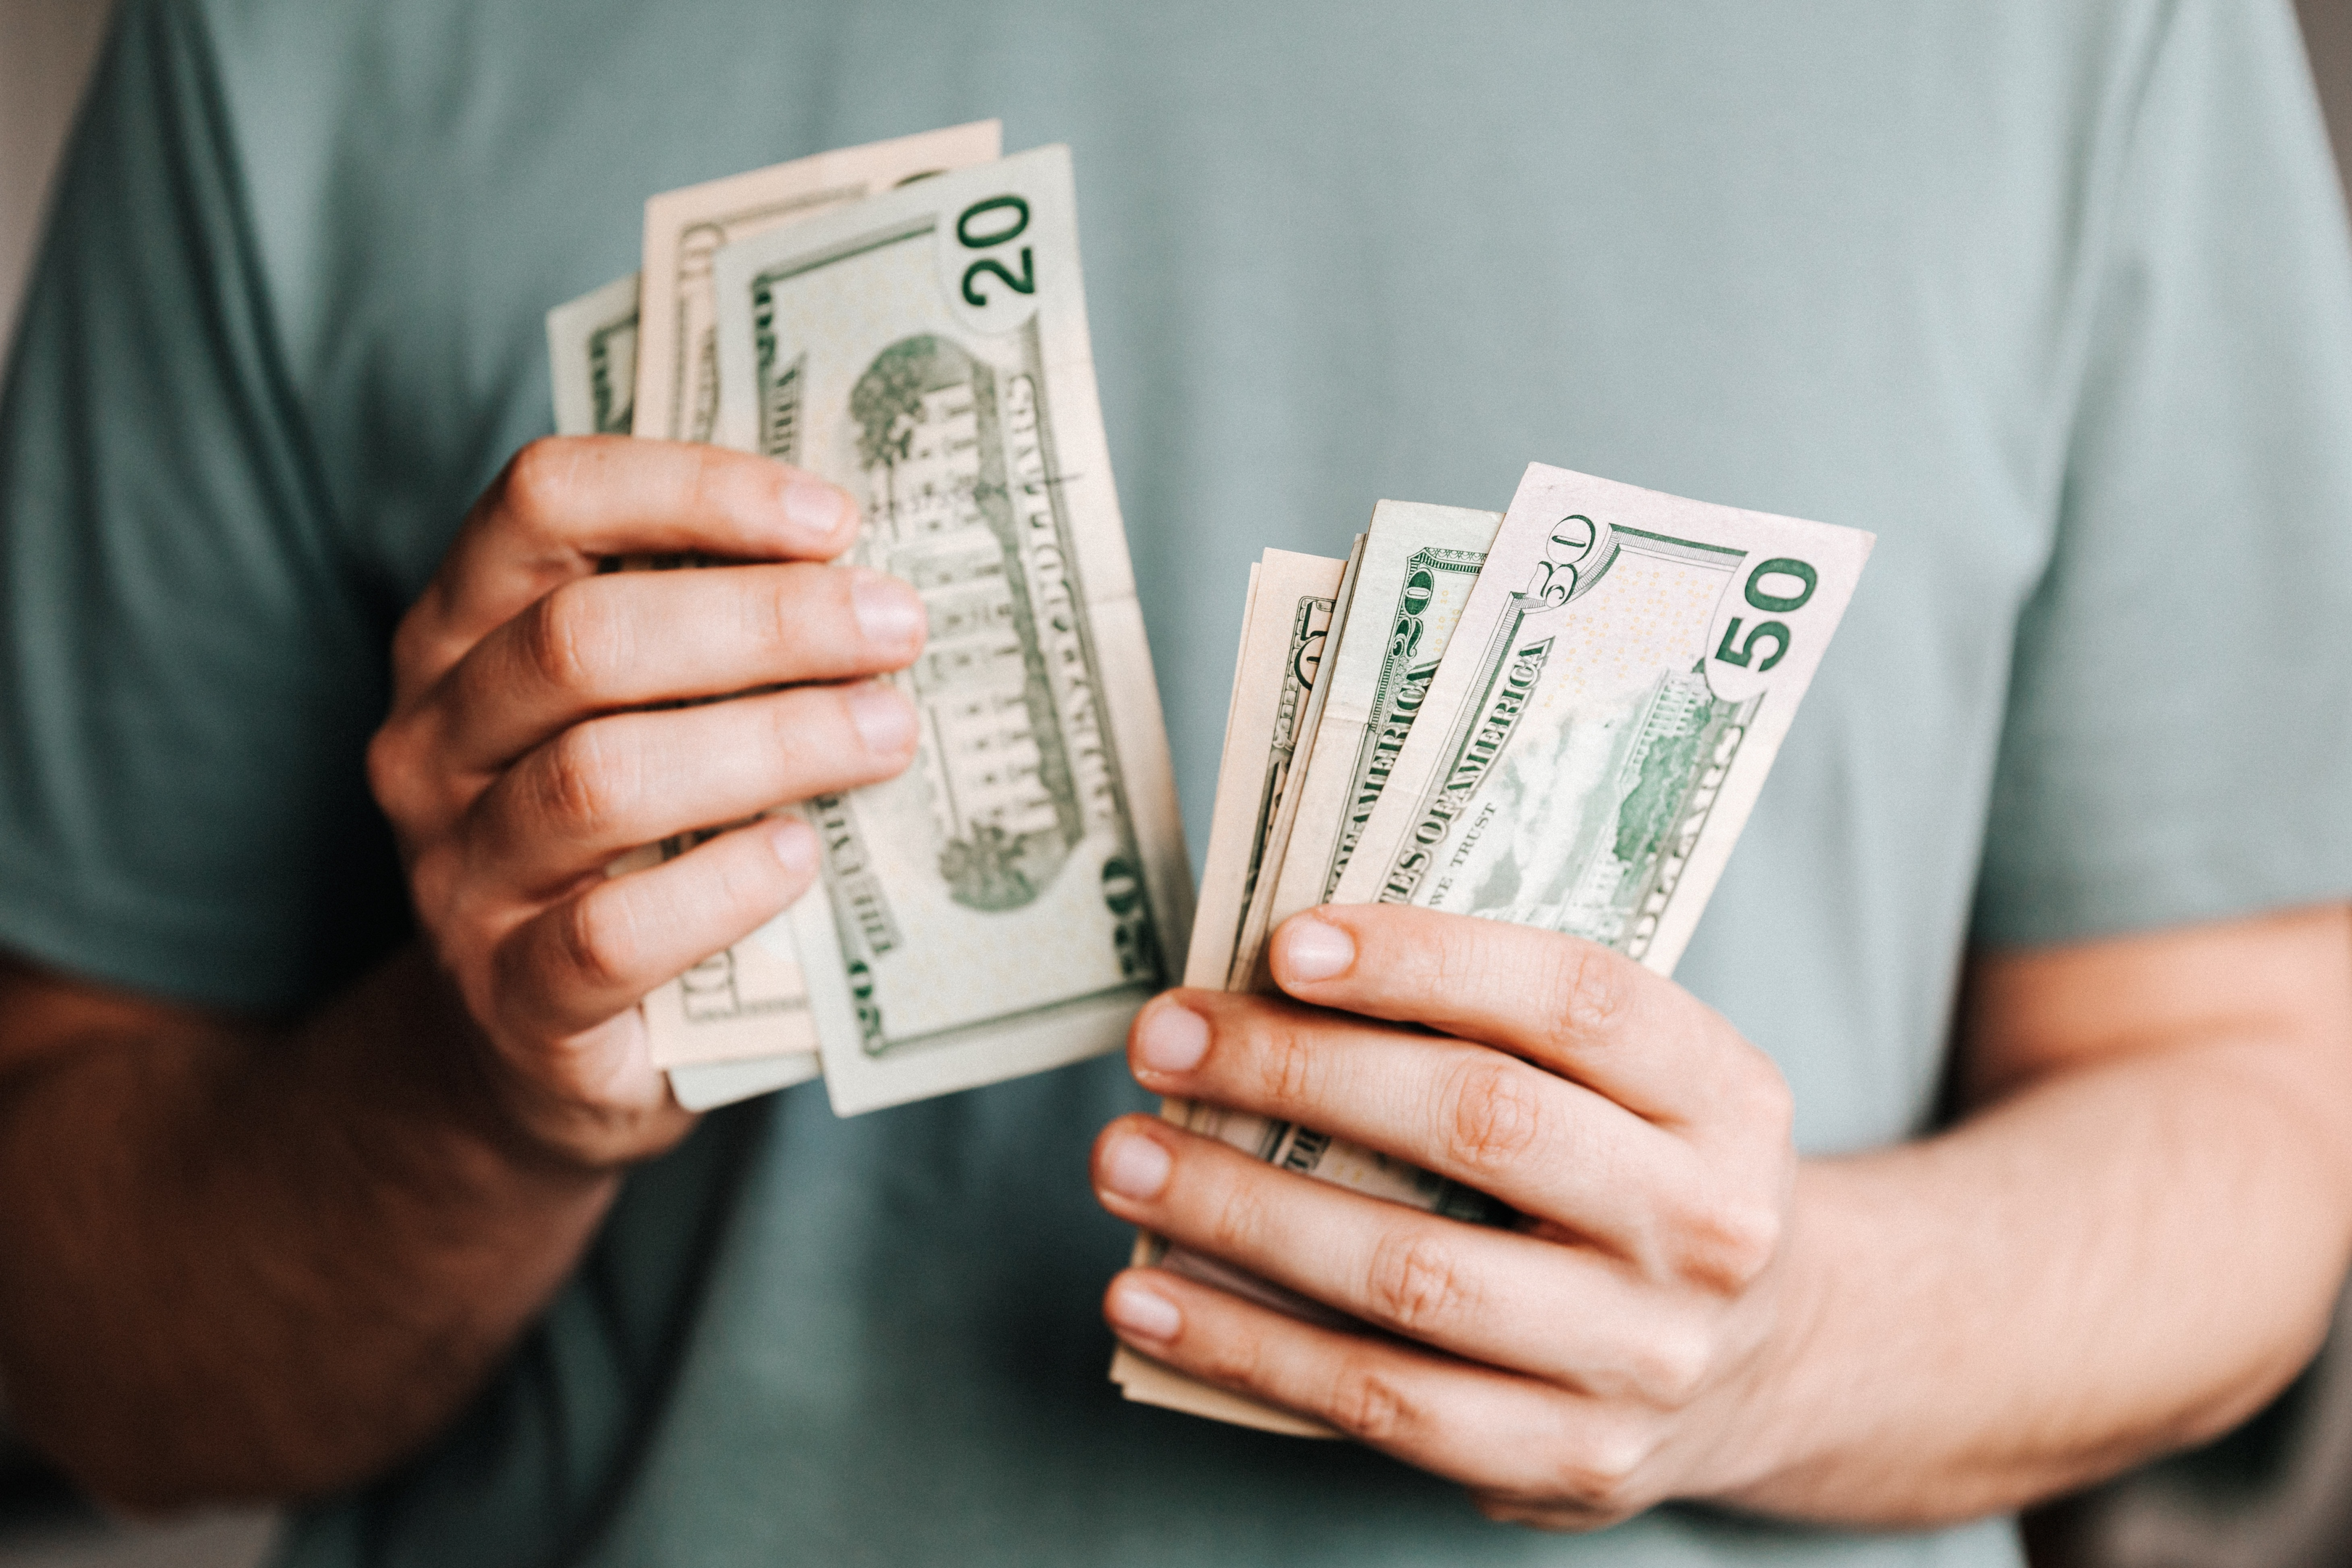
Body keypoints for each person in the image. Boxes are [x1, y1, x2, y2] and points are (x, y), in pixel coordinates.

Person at [4, 1, 2351, 1564]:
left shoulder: (2087, 34)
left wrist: (1785, 1339)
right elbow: (78, 1331)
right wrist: (474, 1094)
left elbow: (2259, 1091)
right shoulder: (299, 33)